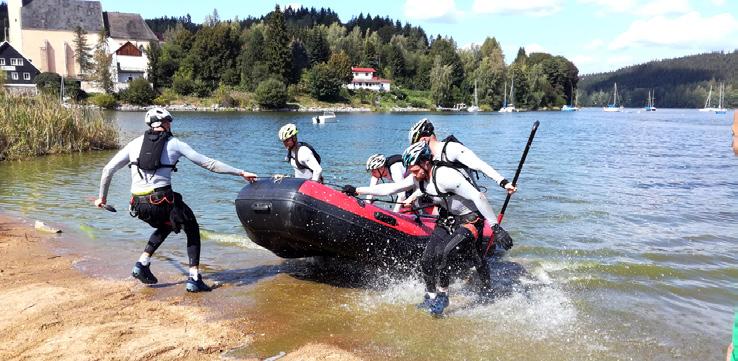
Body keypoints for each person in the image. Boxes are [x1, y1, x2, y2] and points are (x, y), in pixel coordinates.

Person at [342, 141, 516, 317]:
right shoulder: (418, 178)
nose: (413, 174)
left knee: (447, 254)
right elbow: (392, 187)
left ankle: (443, 295)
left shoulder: (446, 176)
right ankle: (430, 296)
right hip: (447, 219)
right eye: (410, 170)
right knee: (427, 259)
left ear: (426, 163)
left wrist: (495, 227)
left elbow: (478, 196)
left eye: (415, 169)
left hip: (470, 220)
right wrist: (357, 190)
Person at [94, 107, 257, 293]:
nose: (170, 124)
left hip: (138, 205)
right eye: (168, 121)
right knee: (192, 227)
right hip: (161, 201)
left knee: (169, 224)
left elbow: (108, 170)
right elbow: (209, 164)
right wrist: (240, 172)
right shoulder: (174, 143)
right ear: (162, 123)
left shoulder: (133, 144)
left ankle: (142, 263)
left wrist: (102, 198)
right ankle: (194, 278)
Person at [407, 118, 515, 194]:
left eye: (416, 143)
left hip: (470, 204)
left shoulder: (451, 148)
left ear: (424, 139)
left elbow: (479, 164)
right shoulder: (427, 160)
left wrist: (503, 182)